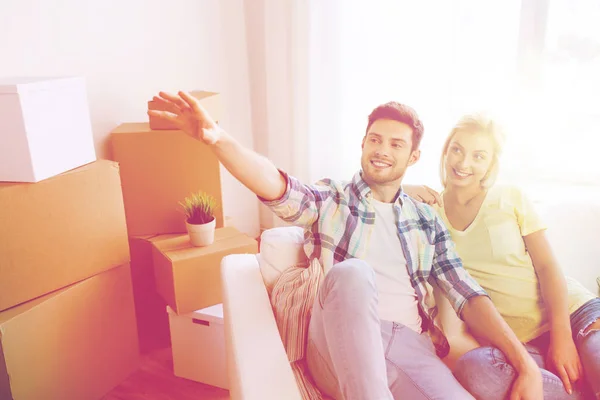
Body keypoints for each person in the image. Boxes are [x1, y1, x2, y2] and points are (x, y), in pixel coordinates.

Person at [148, 92, 544, 400]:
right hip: (336, 342)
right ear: (362, 144)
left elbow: (468, 294)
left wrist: (524, 363)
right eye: (375, 139)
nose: (382, 150)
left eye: (395, 144)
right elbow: (277, 186)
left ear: (414, 156)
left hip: (409, 347)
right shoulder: (332, 199)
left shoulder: (426, 219)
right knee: (354, 273)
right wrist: (218, 139)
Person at [411, 113, 600, 399]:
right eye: (457, 150)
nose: (464, 163)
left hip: (573, 316)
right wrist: (403, 188)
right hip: (522, 346)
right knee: (474, 369)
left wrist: (562, 338)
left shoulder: (510, 197)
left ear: (491, 164)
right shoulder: (430, 215)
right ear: (445, 151)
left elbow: (548, 267)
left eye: (478, 156)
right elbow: (375, 193)